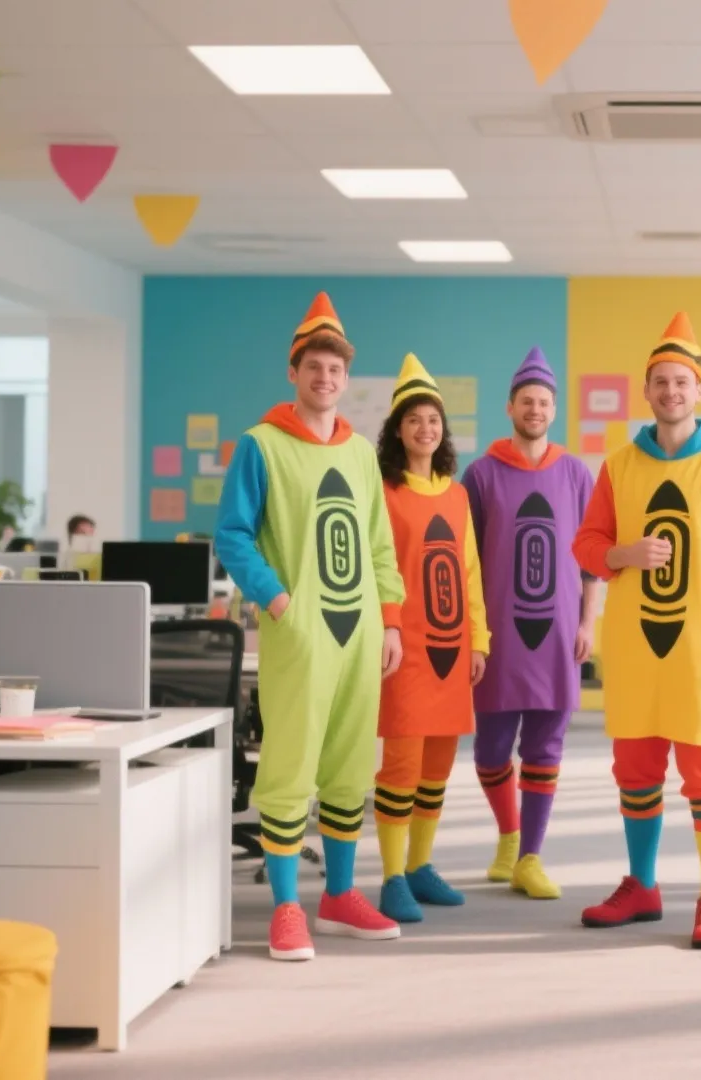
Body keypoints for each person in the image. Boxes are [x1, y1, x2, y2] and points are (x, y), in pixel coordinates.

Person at [573, 311, 701, 950]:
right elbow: (587, 544)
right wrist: (622, 556)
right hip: (634, 647)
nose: (671, 392)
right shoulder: (620, 464)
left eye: (681, 381)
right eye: (660, 381)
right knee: (634, 769)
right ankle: (643, 885)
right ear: (647, 389)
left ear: (698, 389)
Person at [214, 292, 407, 961]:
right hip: (300, 632)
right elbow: (233, 536)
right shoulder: (260, 446)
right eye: (314, 366)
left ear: (346, 380)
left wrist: (391, 620)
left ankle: (341, 896)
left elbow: (379, 542)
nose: (325, 377)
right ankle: (288, 906)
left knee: (352, 764)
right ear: (294, 372)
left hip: (360, 633)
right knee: (291, 763)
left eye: (335, 369)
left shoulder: (359, 454)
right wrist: (276, 602)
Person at [463, 347, 600, 901]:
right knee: (492, 749)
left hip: (560, 631)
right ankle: (508, 833)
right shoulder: (481, 473)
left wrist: (590, 621)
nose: (536, 409)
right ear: (511, 407)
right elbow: (466, 559)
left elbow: (592, 557)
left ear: (554, 408)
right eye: (527, 401)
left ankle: (530, 857)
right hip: (497, 635)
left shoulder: (575, 473)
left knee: (547, 746)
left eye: (544, 402)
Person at [371, 353, 489, 924]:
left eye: (434, 420)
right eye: (414, 419)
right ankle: (391, 875)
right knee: (401, 763)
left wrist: (481, 640)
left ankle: (420, 865)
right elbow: (381, 567)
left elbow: (470, 570)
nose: (425, 428)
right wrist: (387, 628)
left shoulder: (458, 494)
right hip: (406, 648)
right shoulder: (383, 491)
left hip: (452, 645)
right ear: (398, 429)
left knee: (438, 765)